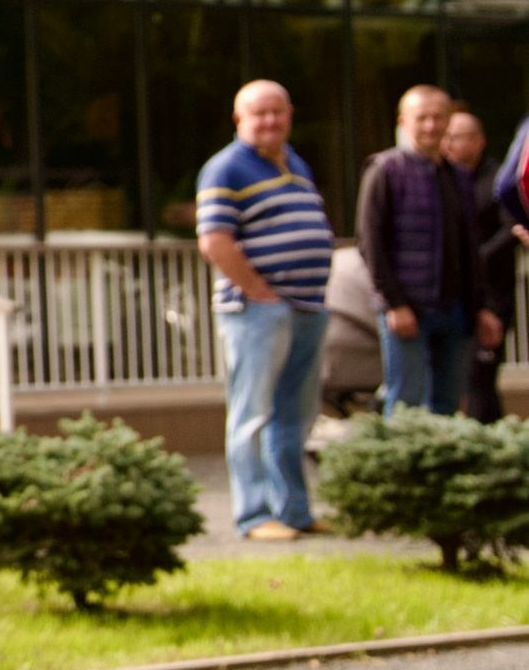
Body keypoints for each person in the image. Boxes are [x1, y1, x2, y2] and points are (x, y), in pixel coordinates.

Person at [196, 79, 336, 539]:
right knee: (252, 414)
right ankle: (254, 515)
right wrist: (258, 290)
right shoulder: (227, 168)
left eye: (278, 111)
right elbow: (215, 240)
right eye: (260, 113)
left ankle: (294, 510)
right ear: (239, 119)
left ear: (290, 114)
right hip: (257, 311)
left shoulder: (295, 162)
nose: (270, 121)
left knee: (296, 416)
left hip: (307, 306)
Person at [356, 86, 501, 416]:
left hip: (456, 310)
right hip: (409, 311)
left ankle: (442, 470)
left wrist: (480, 307)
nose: (431, 126)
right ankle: (403, 470)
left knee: (448, 405)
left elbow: (469, 251)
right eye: (422, 118)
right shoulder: (385, 171)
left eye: (439, 118)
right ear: (403, 121)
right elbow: (371, 245)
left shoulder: (458, 176)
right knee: (406, 401)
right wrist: (395, 303)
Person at [443, 109, 516, 422]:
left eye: (456, 137)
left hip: (494, 294)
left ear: (479, 141)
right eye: (448, 137)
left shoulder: (500, 181)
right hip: (456, 296)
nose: (449, 144)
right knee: (463, 378)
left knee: (480, 377)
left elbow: (511, 229)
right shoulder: (444, 179)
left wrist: (472, 262)